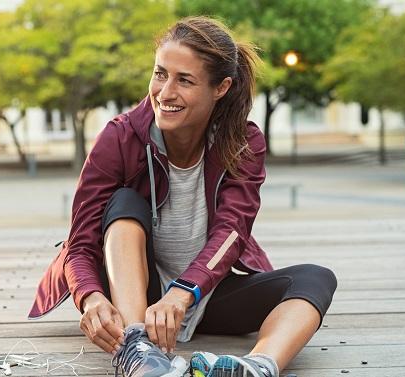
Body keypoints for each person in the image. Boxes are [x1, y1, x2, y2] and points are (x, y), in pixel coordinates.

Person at [29, 16, 337, 377]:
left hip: (205, 293)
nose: (165, 92)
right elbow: (80, 244)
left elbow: (232, 233)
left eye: (184, 80)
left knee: (316, 278)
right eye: (160, 74)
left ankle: (257, 367)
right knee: (125, 202)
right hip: (136, 299)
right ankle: (138, 347)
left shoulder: (243, 142)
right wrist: (90, 297)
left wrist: (184, 292)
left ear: (220, 88)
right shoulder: (120, 137)